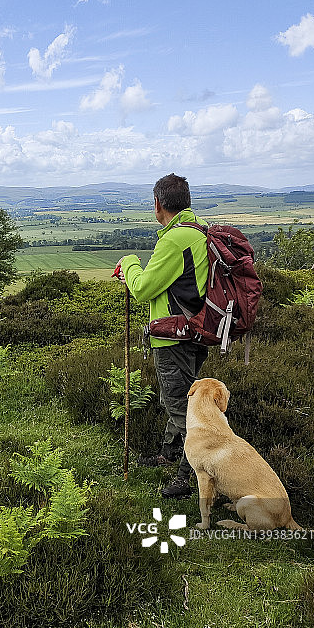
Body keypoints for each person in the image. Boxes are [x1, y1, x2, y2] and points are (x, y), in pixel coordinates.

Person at [115, 173, 209, 499]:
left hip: (173, 338)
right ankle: (170, 454)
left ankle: (189, 478)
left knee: (184, 411)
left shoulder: (174, 240)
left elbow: (142, 288)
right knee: (182, 400)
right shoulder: (201, 230)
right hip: (197, 333)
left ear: (158, 204)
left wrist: (129, 263)